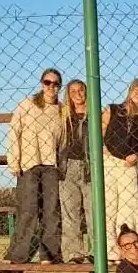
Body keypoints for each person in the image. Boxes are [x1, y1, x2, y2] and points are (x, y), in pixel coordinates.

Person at [3, 69, 64, 264]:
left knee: (51, 211)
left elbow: (63, 140)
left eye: (55, 84)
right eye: (48, 82)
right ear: (41, 83)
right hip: (29, 163)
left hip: (51, 165)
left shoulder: (61, 109)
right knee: (28, 210)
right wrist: (14, 160)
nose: (51, 87)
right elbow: (14, 132)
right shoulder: (27, 105)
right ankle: (18, 253)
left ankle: (49, 254)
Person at [102, 78, 138, 260]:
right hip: (108, 162)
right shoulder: (113, 109)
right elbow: (99, 131)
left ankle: (131, 249)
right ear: (130, 90)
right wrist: (103, 148)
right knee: (108, 207)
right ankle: (109, 251)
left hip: (128, 164)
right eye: (136, 89)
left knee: (129, 208)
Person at [58, 78, 93, 263]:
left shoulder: (94, 114)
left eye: (81, 90)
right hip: (68, 166)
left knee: (93, 211)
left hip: (89, 166)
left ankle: (95, 251)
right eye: (73, 92)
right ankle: (73, 253)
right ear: (68, 95)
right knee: (70, 212)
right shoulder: (63, 116)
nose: (78, 94)